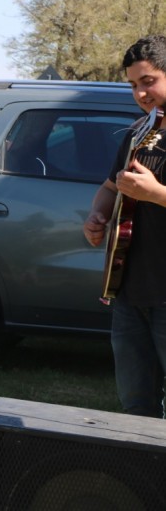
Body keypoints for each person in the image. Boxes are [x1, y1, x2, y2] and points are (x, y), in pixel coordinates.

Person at [84, 34, 166, 418]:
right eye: (133, 85)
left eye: (148, 81)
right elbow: (110, 186)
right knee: (135, 408)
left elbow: (149, 193)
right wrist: (97, 216)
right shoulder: (139, 131)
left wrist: (156, 193)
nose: (141, 93)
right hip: (130, 293)